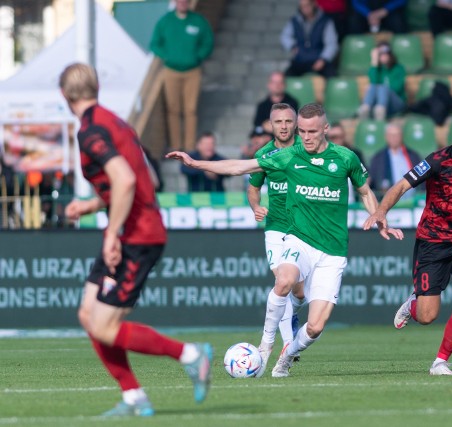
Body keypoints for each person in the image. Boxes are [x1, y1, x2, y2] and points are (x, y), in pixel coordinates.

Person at [167, 103, 403, 378]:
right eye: (301, 131)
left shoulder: (345, 157)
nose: (306, 137)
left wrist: (377, 215)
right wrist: (196, 162)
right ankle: (266, 343)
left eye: (312, 131)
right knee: (284, 280)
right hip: (298, 239)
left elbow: (364, 191)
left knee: (315, 327)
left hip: (333, 250)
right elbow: (239, 167)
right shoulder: (289, 155)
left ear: (325, 129)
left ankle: (288, 354)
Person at [59, 63, 212, 416]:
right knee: (88, 314)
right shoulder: (117, 122)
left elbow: (126, 180)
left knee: (104, 325)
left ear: (65, 96)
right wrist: (92, 204)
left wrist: (111, 232)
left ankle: (191, 355)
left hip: (137, 235)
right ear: (96, 87)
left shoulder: (91, 130)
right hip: (131, 229)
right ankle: (133, 398)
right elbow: (146, 181)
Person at [364, 106, 452, 376]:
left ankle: (440, 361)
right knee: (428, 316)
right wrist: (381, 211)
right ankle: (413, 305)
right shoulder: (438, 160)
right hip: (434, 241)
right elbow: (403, 185)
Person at [247, 103, 306, 366]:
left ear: (295, 123)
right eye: (278, 122)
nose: (283, 126)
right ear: (270, 125)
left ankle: (292, 314)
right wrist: (256, 206)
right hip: (275, 227)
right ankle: (286, 345)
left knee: (300, 293)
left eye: (288, 121)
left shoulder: (306, 149)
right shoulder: (263, 154)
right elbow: (253, 189)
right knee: (282, 283)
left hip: (304, 227)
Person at [150, 0, 214, 152]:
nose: (182, 2)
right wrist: (167, 56)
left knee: (190, 109)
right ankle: (175, 146)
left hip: (193, 70)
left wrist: (198, 56)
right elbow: (154, 43)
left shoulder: (198, 21)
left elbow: (208, 41)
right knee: (173, 109)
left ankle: (190, 146)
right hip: (171, 70)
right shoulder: (165, 21)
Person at [281, 0, 339, 78]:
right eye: (302, 6)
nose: (305, 9)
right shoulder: (294, 21)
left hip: (319, 59)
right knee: (287, 76)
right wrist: (292, 46)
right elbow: (285, 36)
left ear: (314, 4)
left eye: (307, 5)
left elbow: (331, 43)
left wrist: (323, 59)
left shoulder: (325, 21)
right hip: (300, 60)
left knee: (332, 76)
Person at [368, 123, 422, 199]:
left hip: (412, 202)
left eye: (397, 135)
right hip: (389, 203)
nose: (394, 138)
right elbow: (374, 183)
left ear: (402, 136)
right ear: (386, 137)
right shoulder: (378, 159)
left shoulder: (413, 156)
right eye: (391, 135)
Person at [358, 42, 406, 121]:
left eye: (385, 54)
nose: (383, 56)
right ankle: (365, 108)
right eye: (380, 54)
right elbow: (373, 81)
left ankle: (380, 110)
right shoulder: (376, 69)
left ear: (390, 55)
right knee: (372, 86)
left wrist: (380, 88)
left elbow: (397, 88)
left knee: (382, 87)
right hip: (377, 104)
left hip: (396, 104)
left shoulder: (399, 68)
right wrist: (374, 62)